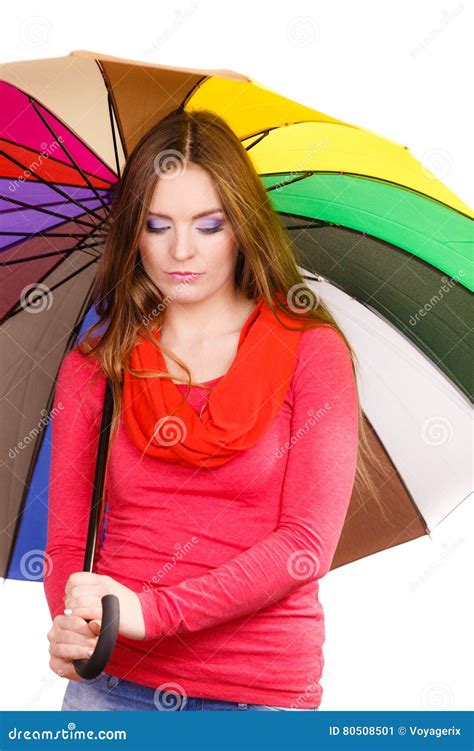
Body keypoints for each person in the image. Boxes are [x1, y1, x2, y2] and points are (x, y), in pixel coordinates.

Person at [44, 107, 366, 712]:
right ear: (133, 230)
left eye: (209, 225)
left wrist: (151, 612)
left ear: (241, 227)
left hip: (259, 698)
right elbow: (66, 547)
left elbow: (305, 544)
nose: (181, 250)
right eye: (157, 224)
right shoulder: (96, 363)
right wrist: (76, 626)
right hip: (110, 689)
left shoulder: (311, 352)